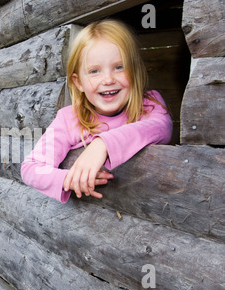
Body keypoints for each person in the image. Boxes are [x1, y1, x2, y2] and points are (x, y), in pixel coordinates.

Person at [20, 19, 173, 203]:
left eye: (119, 67)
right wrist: (68, 179)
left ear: (135, 71)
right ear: (78, 82)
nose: (108, 79)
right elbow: (31, 168)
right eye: (94, 71)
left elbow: (162, 127)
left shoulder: (149, 104)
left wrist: (102, 145)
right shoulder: (69, 119)